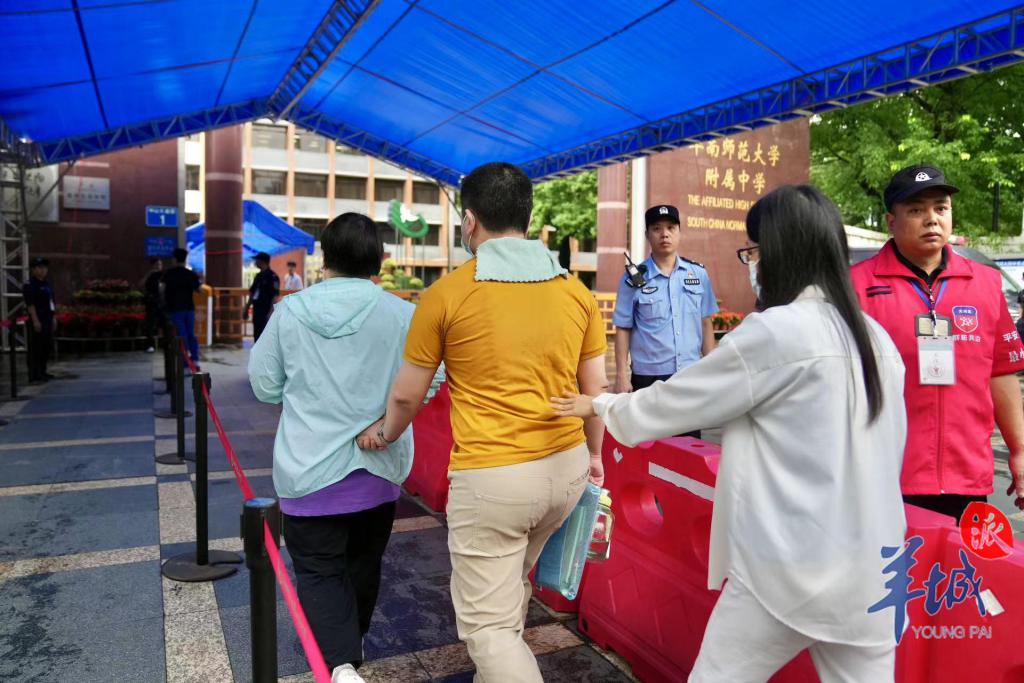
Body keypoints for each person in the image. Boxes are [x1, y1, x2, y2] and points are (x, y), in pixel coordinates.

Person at [554, 185, 908, 681]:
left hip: (788, 569)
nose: (752, 264)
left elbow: (670, 403)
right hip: (875, 570)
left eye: (754, 251)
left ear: (779, 252)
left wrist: (598, 404)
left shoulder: (775, 332)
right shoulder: (876, 339)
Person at [362, 162, 608, 682]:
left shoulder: (446, 294)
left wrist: (383, 434)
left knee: (488, 629)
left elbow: (407, 395)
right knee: (510, 585)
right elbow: (596, 391)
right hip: (565, 470)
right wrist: (595, 455)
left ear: (469, 221)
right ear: (527, 217)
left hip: (493, 479)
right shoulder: (576, 293)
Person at [248, 213, 440, 683]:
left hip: (308, 468)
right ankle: (349, 653)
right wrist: (385, 423)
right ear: (378, 260)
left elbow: (264, 385)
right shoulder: (402, 314)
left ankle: (339, 664)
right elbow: (432, 378)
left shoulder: (290, 311)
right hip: (378, 469)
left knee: (318, 570)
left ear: (325, 256)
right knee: (363, 564)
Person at [851, 165, 1024, 520]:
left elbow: (1001, 372)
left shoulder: (986, 283)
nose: (931, 219)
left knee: (963, 560)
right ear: (891, 221)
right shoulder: (855, 287)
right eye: (916, 209)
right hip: (884, 477)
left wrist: (1019, 450)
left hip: (967, 477)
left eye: (940, 208)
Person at [612, 204, 717, 438]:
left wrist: (712, 369)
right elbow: (623, 328)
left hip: (689, 375)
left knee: (688, 445)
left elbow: (705, 323)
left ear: (679, 232)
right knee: (650, 446)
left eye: (671, 228)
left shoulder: (698, 274)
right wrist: (621, 375)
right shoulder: (633, 280)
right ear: (647, 235)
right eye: (657, 228)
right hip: (648, 379)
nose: (664, 234)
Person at [161, 248, 201, 368]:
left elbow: (161, 289)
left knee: (181, 335)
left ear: (174, 259)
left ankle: (185, 362)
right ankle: (195, 359)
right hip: (189, 309)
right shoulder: (191, 274)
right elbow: (199, 290)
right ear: (185, 259)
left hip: (175, 309)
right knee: (191, 334)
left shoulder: (168, 274)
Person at [22, 256, 56, 382]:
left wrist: (53, 317)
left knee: (46, 346)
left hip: (48, 319)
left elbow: (51, 301)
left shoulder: (47, 284)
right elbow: (30, 304)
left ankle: (42, 371)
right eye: (40, 267)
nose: (43, 270)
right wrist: (35, 320)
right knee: (36, 347)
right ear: (33, 269)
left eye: (45, 267)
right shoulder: (30, 284)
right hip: (37, 319)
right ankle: (34, 374)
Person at [244, 251, 279, 342]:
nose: (255, 262)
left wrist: (271, 312)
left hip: (266, 310)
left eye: (257, 260)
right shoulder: (258, 276)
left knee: (265, 337)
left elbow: (274, 296)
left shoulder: (272, 277)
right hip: (257, 309)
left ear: (262, 262)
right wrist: (246, 308)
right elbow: (252, 293)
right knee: (257, 334)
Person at [139, 258, 164, 353]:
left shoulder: (162, 275)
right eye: (157, 264)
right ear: (153, 265)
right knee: (151, 324)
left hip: (161, 302)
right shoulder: (150, 275)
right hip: (152, 302)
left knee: (164, 323)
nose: (159, 266)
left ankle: (164, 343)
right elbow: (140, 284)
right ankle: (150, 344)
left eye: (160, 264)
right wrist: (149, 274)